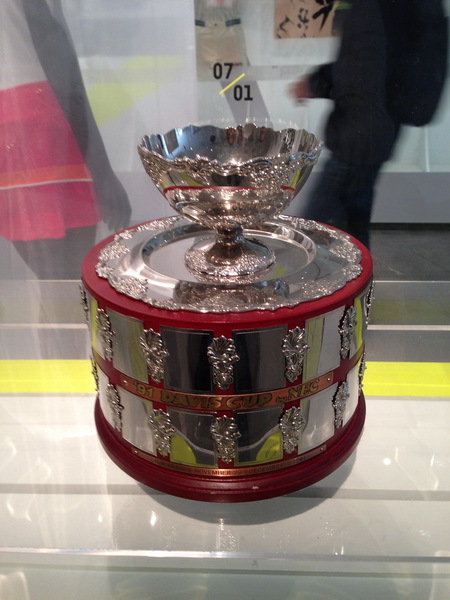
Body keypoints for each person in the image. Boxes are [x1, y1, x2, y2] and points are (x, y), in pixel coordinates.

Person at [290, 0, 448, 248]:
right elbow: (361, 58)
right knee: (350, 226)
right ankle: (357, 269)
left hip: (362, 130)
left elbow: (364, 63)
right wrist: (316, 83)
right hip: (370, 126)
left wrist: (318, 84)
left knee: (316, 235)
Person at [1, 0, 131, 278]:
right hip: (41, 121)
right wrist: (101, 170)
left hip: (24, 121)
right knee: (68, 281)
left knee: (56, 282)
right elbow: (56, 55)